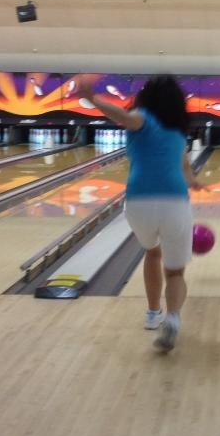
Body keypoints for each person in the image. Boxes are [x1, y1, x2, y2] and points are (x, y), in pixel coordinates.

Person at [77, 74, 204, 352]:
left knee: (152, 252)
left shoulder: (144, 118)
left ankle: (152, 314)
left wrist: (92, 99)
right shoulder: (177, 132)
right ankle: (172, 319)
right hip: (174, 203)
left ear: (147, 97)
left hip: (139, 203)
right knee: (175, 272)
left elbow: (124, 118)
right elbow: (184, 167)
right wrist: (193, 181)